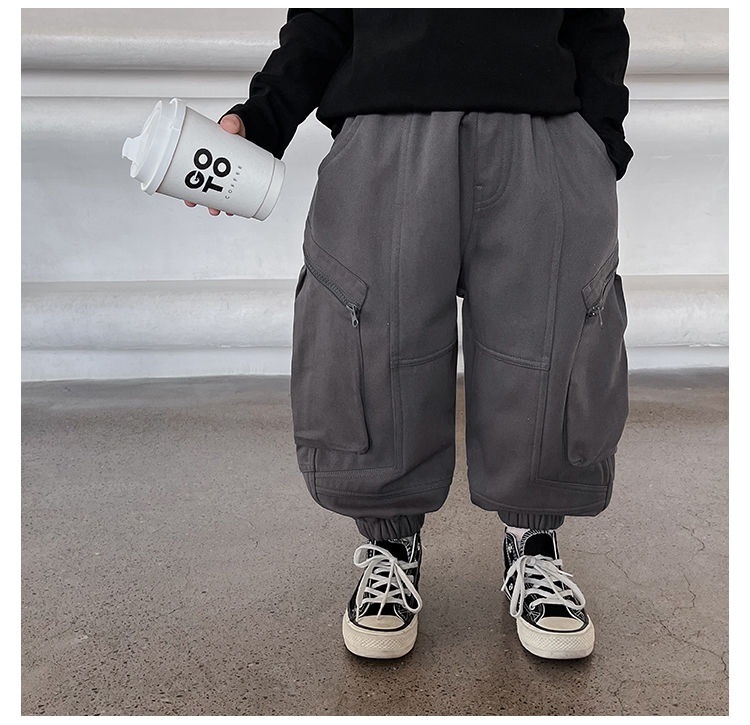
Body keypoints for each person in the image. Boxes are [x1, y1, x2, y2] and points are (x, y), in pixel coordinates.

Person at [186, 8, 634, 661]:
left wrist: (600, 139)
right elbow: (323, 18)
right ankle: (391, 545)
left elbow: (596, 17)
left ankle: (534, 542)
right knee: (374, 347)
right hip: (384, 126)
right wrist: (262, 120)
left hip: (542, 128)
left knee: (548, 344)